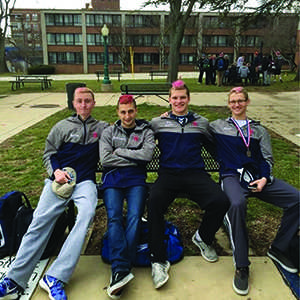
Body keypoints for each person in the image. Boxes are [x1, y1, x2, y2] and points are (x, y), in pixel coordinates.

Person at [0, 87, 109, 300]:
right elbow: (48, 154)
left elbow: (126, 129)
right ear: (74, 104)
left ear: (93, 103)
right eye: (80, 101)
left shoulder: (102, 128)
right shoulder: (61, 127)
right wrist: (56, 172)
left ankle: (55, 277)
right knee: (39, 222)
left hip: (84, 182)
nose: (84, 105)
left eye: (88, 101)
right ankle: (13, 280)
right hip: (58, 183)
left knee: (86, 215)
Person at [209, 86, 299, 296]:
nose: (237, 104)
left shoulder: (259, 130)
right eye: (233, 101)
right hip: (232, 177)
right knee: (237, 204)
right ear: (228, 104)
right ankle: (242, 266)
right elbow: (195, 125)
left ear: (247, 102)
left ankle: (279, 248)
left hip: (257, 179)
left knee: (297, 199)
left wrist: (264, 179)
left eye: (240, 100)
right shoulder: (217, 127)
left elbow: (267, 159)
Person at [148, 80, 230, 289]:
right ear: (169, 100)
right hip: (168, 175)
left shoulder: (201, 123)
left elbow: (216, 147)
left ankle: (203, 237)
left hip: (195, 174)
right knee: (154, 203)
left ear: (188, 99)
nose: (178, 101)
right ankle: (158, 260)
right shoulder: (158, 123)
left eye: (182, 97)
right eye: (174, 98)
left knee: (220, 201)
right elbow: (140, 132)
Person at [100, 95, 155, 298]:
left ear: (136, 111)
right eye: (123, 112)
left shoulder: (146, 131)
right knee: (114, 216)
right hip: (112, 180)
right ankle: (121, 268)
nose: (127, 116)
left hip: (136, 181)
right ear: (117, 112)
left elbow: (147, 156)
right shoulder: (108, 131)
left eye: (130, 111)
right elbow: (105, 159)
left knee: (134, 216)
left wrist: (120, 151)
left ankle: (122, 267)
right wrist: (134, 157)